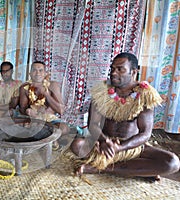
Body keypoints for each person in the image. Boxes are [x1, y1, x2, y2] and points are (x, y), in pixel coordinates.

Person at [68, 52, 180, 180]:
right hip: (103, 145)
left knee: (172, 162)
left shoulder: (145, 95)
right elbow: (93, 125)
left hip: (132, 147)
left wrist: (121, 147)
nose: (114, 73)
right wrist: (104, 141)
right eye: (113, 69)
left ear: (133, 72)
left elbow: (145, 133)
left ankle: (100, 168)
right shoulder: (101, 92)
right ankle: (138, 171)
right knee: (77, 145)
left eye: (120, 69)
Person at [18, 61, 70, 146]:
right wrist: (30, 112)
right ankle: (49, 139)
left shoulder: (53, 85)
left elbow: (61, 110)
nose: (37, 73)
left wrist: (45, 94)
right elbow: (22, 109)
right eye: (34, 70)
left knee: (64, 128)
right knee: (20, 127)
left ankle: (44, 136)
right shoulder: (24, 88)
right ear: (30, 73)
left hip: (50, 120)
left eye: (41, 70)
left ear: (45, 73)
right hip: (33, 120)